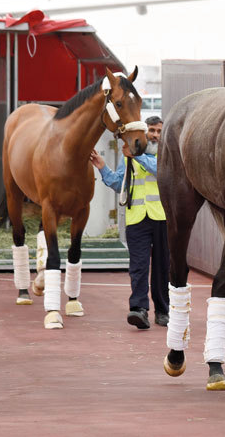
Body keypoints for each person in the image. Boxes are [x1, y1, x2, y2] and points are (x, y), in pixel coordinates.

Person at [90, 116, 170, 329]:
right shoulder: (128, 156)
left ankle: (163, 311)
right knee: (139, 267)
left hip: (162, 217)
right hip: (136, 219)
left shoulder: (166, 154)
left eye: (158, 131)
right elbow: (119, 184)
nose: (154, 135)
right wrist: (102, 167)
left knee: (163, 267)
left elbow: (158, 171)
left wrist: (136, 155)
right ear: (144, 134)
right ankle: (139, 309)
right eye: (151, 130)